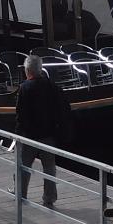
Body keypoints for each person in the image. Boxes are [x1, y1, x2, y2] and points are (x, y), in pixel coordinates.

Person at [15, 54, 72, 209]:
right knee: (49, 168)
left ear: (27, 70)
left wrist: (19, 133)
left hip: (29, 136)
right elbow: (63, 109)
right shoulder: (52, 86)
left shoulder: (24, 88)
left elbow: (21, 114)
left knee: (24, 166)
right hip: (49, 134)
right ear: (40, 70)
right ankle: (49, 198)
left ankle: (21, 195)